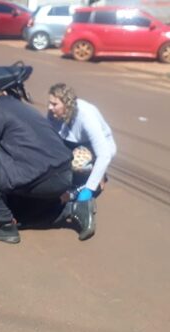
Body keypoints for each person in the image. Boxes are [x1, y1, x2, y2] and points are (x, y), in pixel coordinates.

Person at [0, 83, 95, 244]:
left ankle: (6, 226)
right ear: (2, 93)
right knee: (20, 214)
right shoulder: (20, 106)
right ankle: (73, 209)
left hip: (42, 177)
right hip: (63, 172)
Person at [47, 83, 116, 231]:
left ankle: (94, 181)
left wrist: (89, 190)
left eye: (54, 104)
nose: (50, 107)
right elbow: (49, 139)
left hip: (97, 148)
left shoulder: (86, 117)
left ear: (66, 104)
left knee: (78, 163)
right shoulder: (53, 114)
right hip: (72, 143)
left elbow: (104, 154)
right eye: (49, 102)